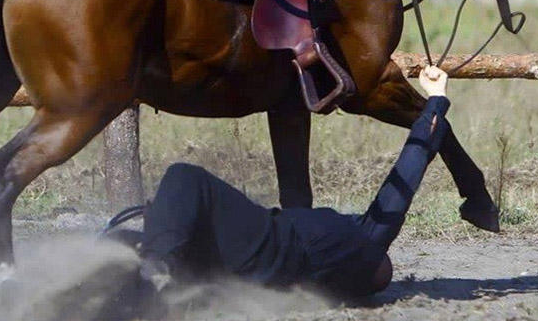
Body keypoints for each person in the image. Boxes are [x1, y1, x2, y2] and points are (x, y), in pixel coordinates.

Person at [136, 65, 451, 297]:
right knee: (175, 226)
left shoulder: (368, 240)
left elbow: (409, 171)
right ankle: (138, 270)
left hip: (267, 243)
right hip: (242, 269)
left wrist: (436, 99)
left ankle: (152, 273)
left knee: (186, 177)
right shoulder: (336, 276)